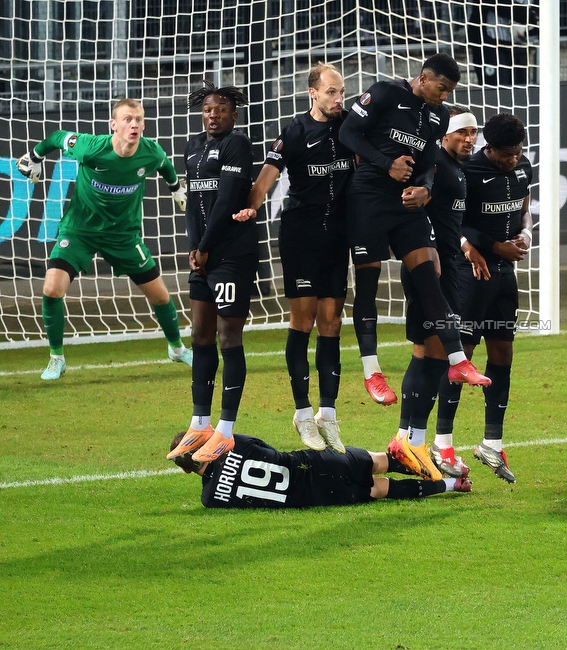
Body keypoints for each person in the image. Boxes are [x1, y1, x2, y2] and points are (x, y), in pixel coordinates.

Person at [338, 52, 491, 402]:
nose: (445, 96)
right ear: (424, 78)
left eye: (450, 90)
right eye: (442, 87)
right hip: (368, 199)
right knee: (367, 283)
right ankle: (372, 372)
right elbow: (349, 132)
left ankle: (457, 359)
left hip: (406, 205)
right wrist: (385, 163)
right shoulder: (384, 93)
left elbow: (426, 164)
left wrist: (426, 189)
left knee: (427, 275)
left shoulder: (437, 117)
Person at [16, 99, 191, 380]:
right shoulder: (90, 146)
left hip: (123, 235)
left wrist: (174, 188)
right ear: (114, 125)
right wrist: (35, 156)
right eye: (127, 119)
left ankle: (177, 349)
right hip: (79, 231)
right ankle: (56, 358)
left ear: (143, 124)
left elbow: (165, 165)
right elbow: (58, 137)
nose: (133, 124)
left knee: (160, 295)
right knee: (51, 289)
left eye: (138, 119)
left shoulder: (150, 151)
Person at [231, 64, 352, 454]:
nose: (338, 99)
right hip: (301, 236)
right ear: (312, 93)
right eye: (331, 92)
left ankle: (328, 414)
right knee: (304, 319)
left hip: (338, 236)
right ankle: (302, 412)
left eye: (342, 92)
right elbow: (267, 177)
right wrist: (251, 206)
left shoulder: (351, 127)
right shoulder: (295, 132)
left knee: (331, 322)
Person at [434, 112, 533, 484]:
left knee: (503, 353)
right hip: (471, 273)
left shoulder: (523, 167)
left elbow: (524, 211)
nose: (512, 159)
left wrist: (526, 236)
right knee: (463, 357)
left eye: (516, 153)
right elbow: (455, 222)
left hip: (505, 275)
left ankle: (492, 442)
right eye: (506, 154)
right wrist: (488, 247)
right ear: (489, 147)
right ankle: (442, 441)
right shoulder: (467, 173)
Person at [166, 81, 257, 464]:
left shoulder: (238, 145)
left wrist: (205, 247)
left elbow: (226, 200)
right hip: (202, 255)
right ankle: (199, 422)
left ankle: (225, 430)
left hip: (232, 255)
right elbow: (192, 206)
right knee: (200, 333)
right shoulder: (192, 147)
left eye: (220, 109)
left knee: (227, 336)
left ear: (233, 115)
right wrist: (193, 246)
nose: (213, 114)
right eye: (207, 109)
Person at [388, 106, 479, 482]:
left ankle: (404, 440)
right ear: (446, 136)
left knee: (425, 353)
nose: (470, 139)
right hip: (435, 269)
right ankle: (419, 447)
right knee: (438, 357)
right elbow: (414, 203)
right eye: (463, 133)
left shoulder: (454, 167)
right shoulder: (436, 165)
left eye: (474, 134)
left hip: (443, 265)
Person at [169, 432, 471, 509]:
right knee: (385, 459)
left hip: (319, 495)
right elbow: (263, 445)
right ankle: (445, 465)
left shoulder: (210, 499)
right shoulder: (233, 444)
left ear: (186, 471)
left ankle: (450, 486)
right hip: (318, 463)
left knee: (380, 489)